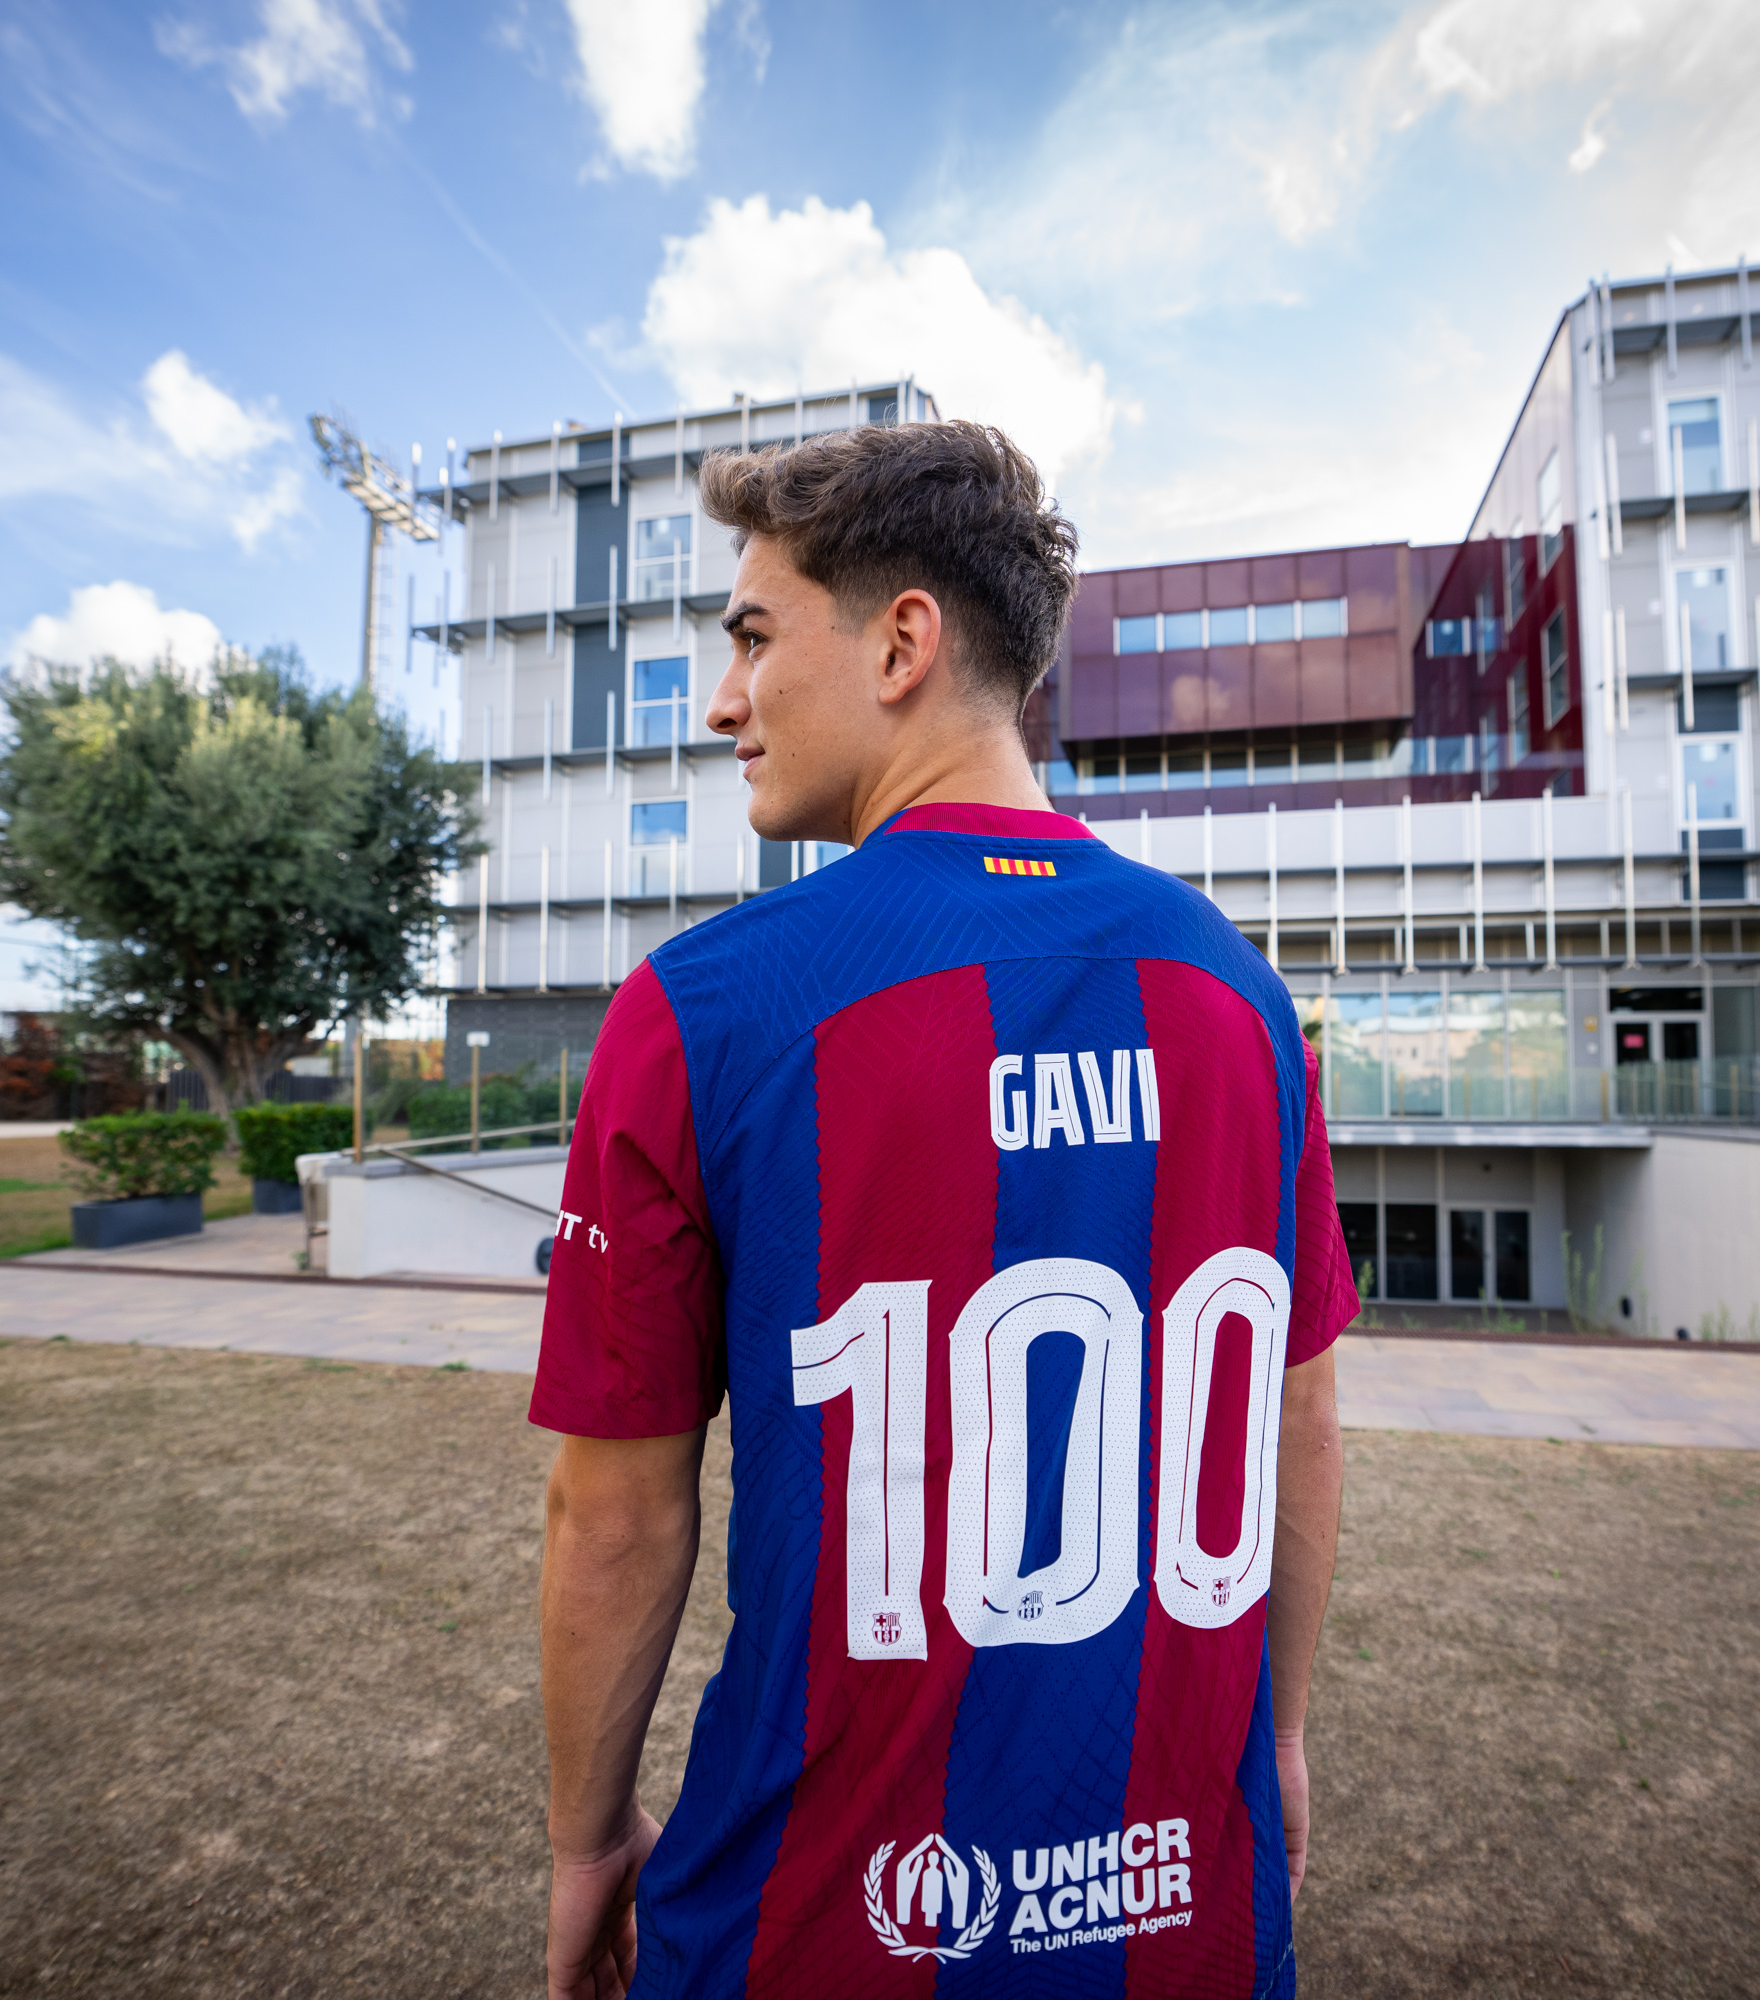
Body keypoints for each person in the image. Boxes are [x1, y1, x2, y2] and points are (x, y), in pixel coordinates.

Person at [533, 420, 1355, 2000]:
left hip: (812, 1934)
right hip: (1189, 1912)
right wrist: (1284, 1742)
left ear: (903, 640)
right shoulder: (1242, 999)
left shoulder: (704, 1011)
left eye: (755, 638)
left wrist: (584, 1844)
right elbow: (1298, 1422)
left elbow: (617, 1513)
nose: (725, 699)